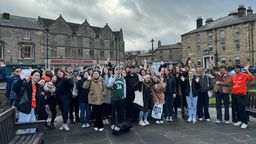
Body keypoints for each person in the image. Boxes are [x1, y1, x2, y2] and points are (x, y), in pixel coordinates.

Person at [231, 64, 254, 129]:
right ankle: (240, 120)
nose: (236, 69)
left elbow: (252, 77)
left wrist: (247, 70)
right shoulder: (234, 77)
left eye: (237, 68)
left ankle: (245, 122)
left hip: (241, 94)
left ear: (240, 69)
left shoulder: (244, 75)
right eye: (235, 68)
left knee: (241, 108)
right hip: (234, 94)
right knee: (236, 108)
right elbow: (232, 85)